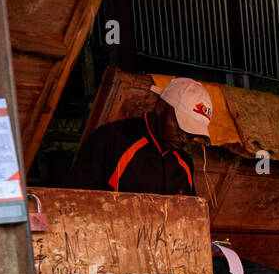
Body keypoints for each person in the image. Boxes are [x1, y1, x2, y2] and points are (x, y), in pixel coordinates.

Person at [68, 78, 211, 194]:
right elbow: (76, 200)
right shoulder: (110, 140)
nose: (185, 139)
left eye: (191, 134)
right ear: (160, 107)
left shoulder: (184, 164)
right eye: (181, 127)